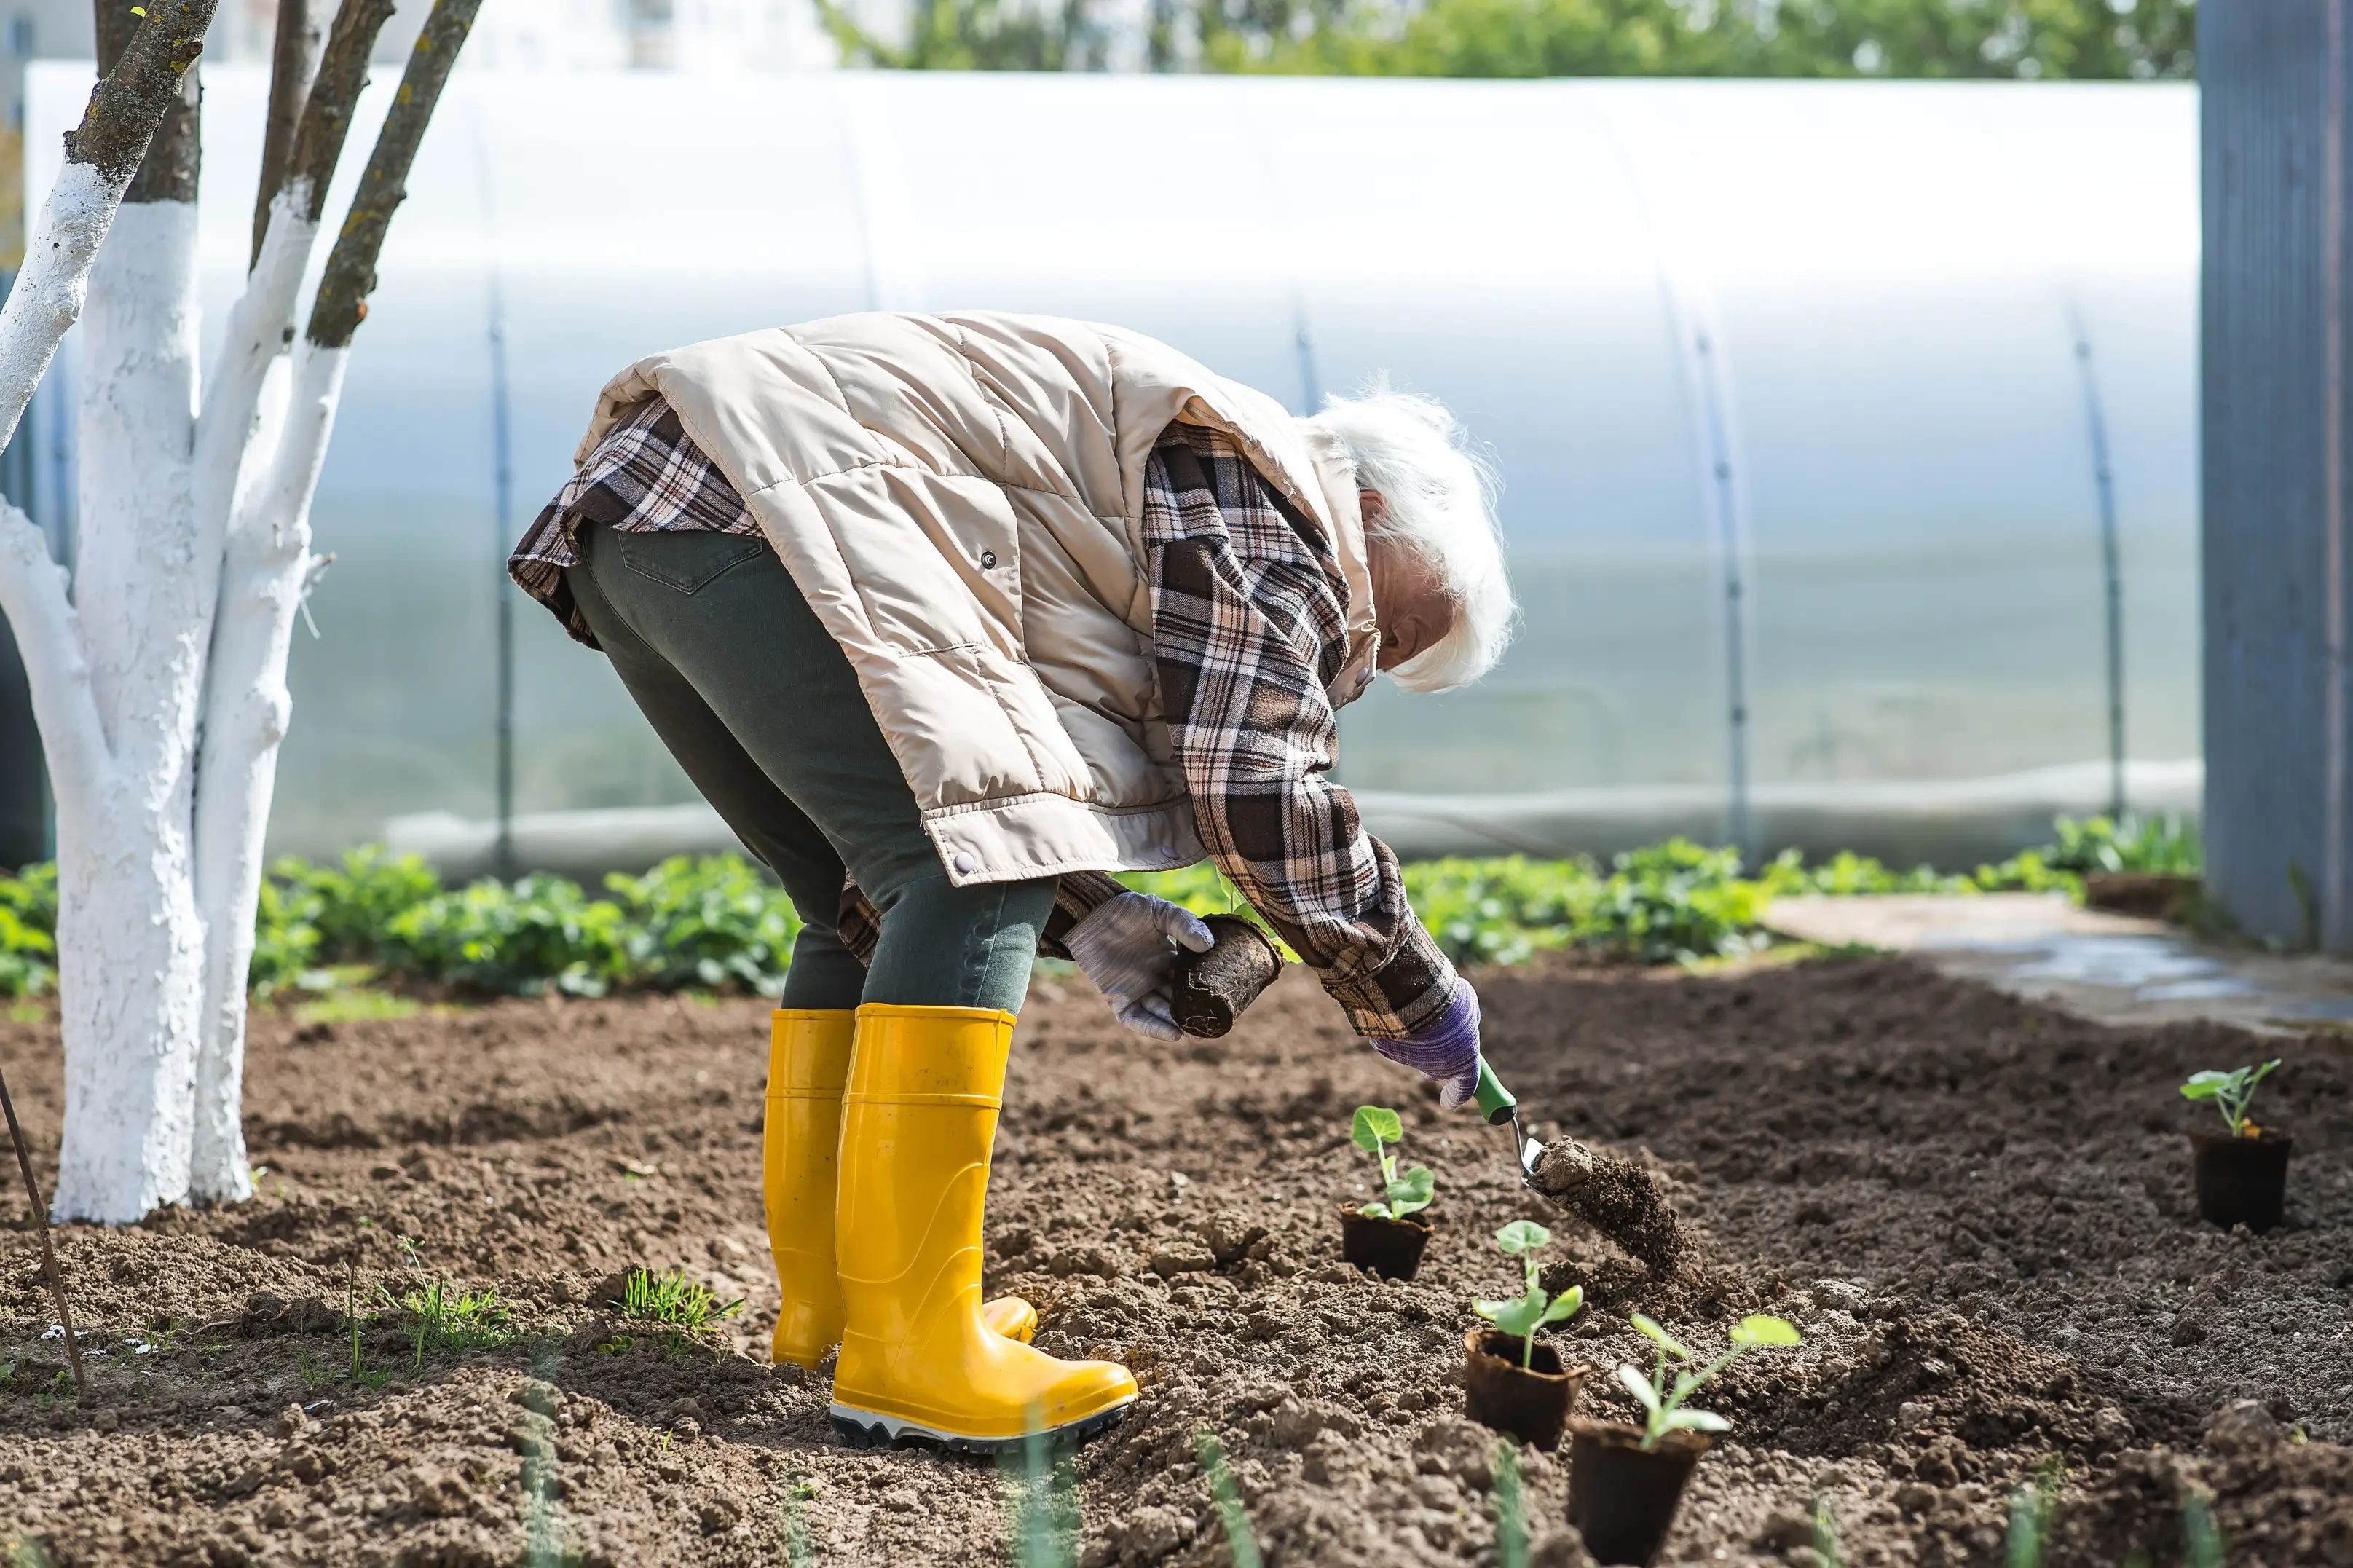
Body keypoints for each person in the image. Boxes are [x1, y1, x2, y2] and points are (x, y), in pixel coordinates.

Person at [510, 312, 1516, 1452]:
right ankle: (913, 1354)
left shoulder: (1187, 467)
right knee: (964, 867)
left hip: (652, 516)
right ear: (1374, 512)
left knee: (862, 895)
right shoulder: (1278, 494)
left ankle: (844, 1312)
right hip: (753, 509)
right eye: (1399, 628)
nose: (1364, 656)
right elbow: (1252, 776)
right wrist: (1417, 998)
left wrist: (1097, 914)